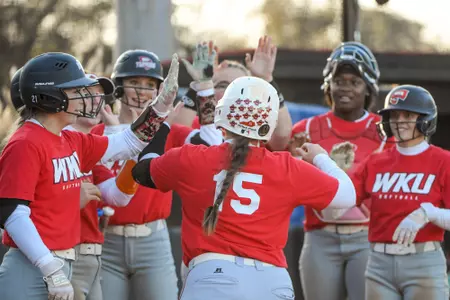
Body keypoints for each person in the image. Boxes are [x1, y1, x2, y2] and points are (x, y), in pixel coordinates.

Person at [132, 76, 357, 299]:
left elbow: (141, 171)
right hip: (271, 281)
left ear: (223, 113)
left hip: (212, 276)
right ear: (267, 123)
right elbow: (347, 197)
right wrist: (321, 158)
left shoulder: (193, 158)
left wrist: (163, 122)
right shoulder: (287, 167)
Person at [0, 51, 179, 300]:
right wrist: (50, 268)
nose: (87, 98)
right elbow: (12, 213)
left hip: (61, 262)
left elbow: (127, 143)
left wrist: (158, 109)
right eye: (77, 92)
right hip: (32, 265)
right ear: (49, 96)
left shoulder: (71, 139)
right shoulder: (26, 142)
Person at [289, 41, 385, 300]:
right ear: (328, 84)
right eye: (339, 80)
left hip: (367, 236)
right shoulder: (304, 129)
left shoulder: (385, 131)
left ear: (368, 88)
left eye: (354, 82)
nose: (345, 88)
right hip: (319, 236)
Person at [351, 84, 449, 299]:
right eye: (394, 115)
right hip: (379, 263)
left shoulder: (444, 161)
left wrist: (428, 213)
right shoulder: (375, 162)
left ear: (424, 119)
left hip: (423, 261)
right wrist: (319, 163)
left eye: (408, 114)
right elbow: (342, 197)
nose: (399, 121)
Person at [100, 49, 179, 300]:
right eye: (134, 82)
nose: (142, 91)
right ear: (119, 87)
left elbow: (210, 140)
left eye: (149, 84)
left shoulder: (168, 132)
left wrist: (204, 87)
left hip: (153, 238)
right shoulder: (97, 132)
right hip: (105, 240)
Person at [174, 36, 293, 151]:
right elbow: (175, 134)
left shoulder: (256, 124)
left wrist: (266, 79)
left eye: (240, 88)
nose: (231, 94)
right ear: (210, 90)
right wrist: (201, 82)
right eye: (223, 85)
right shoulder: (196, 124)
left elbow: (281, 138)